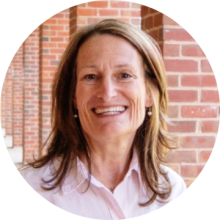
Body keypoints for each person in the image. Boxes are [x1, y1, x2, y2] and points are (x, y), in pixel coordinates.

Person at [19, 19, 187, 219]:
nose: (107, 93)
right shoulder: (33, 186)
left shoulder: (171, 191)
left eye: (124, 75)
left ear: (149, 93)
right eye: (90, 76)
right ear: (73, 95)